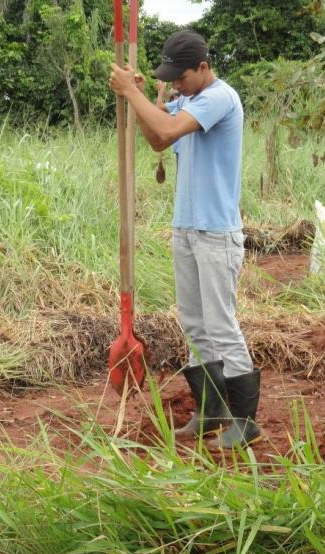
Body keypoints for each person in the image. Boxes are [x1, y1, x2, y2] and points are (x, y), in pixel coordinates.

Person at [109, 30, 260, 448]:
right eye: (170, 77)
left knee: (221, 325)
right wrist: (142, 100)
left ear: (204, 68)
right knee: (195, 326)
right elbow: (158, 137)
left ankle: (245, 421)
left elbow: (170, 130)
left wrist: (132, 94)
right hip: (187, 229)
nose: (175, 84)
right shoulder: (187, 101)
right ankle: (210, 412)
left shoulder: (219, 98)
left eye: (181, 76)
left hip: (216, 233)